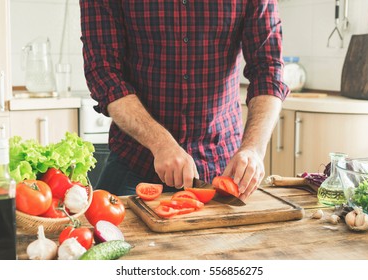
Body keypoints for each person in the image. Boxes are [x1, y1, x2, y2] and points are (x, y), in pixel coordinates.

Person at [79, 0, 289, 201]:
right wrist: (160, 143)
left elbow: (268, 69)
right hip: (136, 161)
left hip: (222, 168)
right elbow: (104, 72)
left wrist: (253, 148)